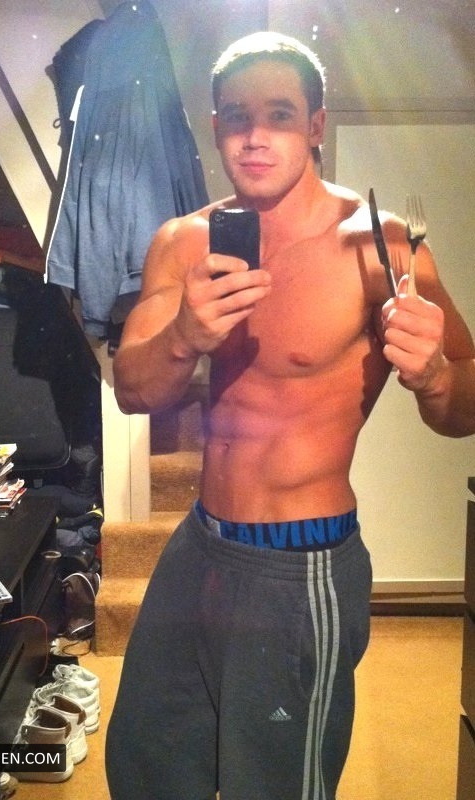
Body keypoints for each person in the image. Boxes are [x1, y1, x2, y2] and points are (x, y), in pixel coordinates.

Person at [105, 31, 475, 800]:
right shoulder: (183, 241)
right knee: (148, 760)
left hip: (298, 565)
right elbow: (134, 390)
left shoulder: (378, 248)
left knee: (272, 784)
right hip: (200, 544)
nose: (254, 135)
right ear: (215, 127)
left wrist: (435, 373)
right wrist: (184, 336)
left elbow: (461, 407)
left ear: (314, 125)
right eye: (236, 116)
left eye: (278, 114)